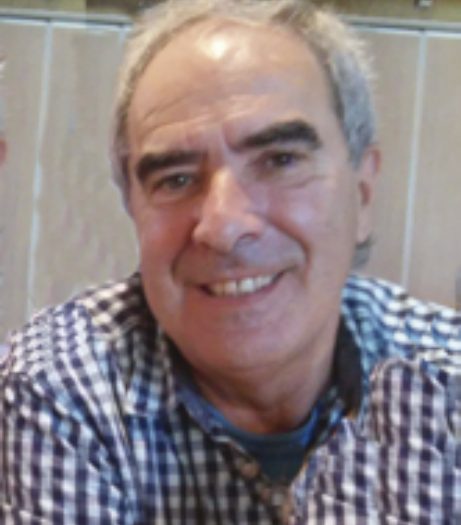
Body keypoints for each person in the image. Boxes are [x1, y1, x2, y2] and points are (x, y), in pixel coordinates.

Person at [1, 0, 460, 522]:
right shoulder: (63, 391)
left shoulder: (445, 378)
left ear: (363, 190)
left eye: (280, 161)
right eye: (176, 179)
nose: (223, 227)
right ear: (133, 209)